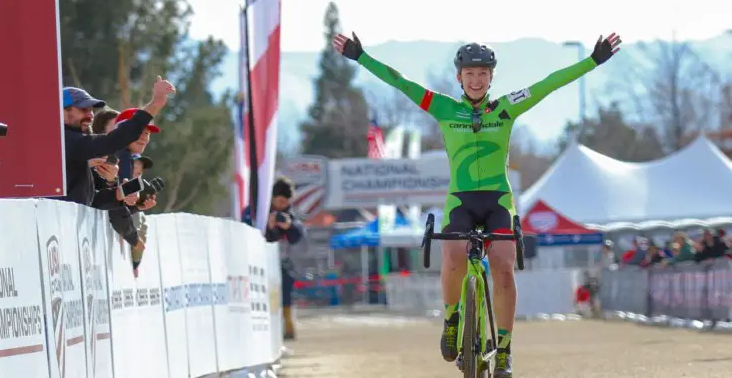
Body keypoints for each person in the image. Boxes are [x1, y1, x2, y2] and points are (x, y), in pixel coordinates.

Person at [334, 31, 621, 377]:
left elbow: (549, 84)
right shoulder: (444, 107)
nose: (476, 79)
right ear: (459, 77)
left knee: (502, 264)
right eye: (469, 74)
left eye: (482, 73)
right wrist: (361, 56)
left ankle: (504, 349)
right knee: (453, 255)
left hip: (499, 200)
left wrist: (593, 60)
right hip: (461, 201)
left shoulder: (506, 107)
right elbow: (401, 83)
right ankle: (452, 318)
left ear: (491, 77)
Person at [55, 77, 174, 206]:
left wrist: (119, 193)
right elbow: (112, 141)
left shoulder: (74, 144)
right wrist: (155, 104)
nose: (90, 116)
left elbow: (91, 200)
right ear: (62, 111)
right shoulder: (65, 140)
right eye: (83, 110)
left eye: (91, 110)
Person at [242, 176, 305, 340]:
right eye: (280, 202)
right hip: (256, 264)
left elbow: (298, 235)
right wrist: (267, 228)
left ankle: (288, 325)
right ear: (271, 198)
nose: (283, 206)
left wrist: (289, 226)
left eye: (286, 203)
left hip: (281, 264)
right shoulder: (256, 211)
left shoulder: (288, 214)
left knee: (286, 290)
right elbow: (248, 232)